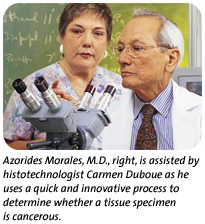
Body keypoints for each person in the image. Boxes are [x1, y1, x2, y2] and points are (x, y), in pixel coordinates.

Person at [3, 3, 129, 150]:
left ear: (107, 42)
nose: (87, 42)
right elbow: (8, 146)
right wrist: (53, 142)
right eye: (77, 31)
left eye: (98, 33)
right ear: (61, 36)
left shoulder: (123, 88)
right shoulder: (31, 87)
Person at [104, 8, 202, 150]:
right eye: (120, 49)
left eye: (137, 48)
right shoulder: (106, 118)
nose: (121, 59)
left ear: (171, 59)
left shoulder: (199, 114)